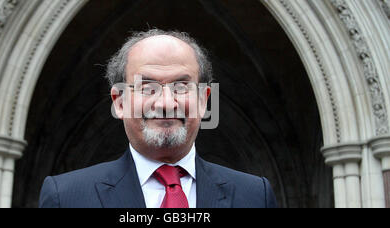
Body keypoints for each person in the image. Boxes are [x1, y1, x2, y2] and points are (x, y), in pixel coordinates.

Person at [39, 29, 278, 208]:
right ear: (119, 102)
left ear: (204, 100)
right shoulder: (66, 197)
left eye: (181, 86)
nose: (165, 103)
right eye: (147, 87)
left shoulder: (256, 196)